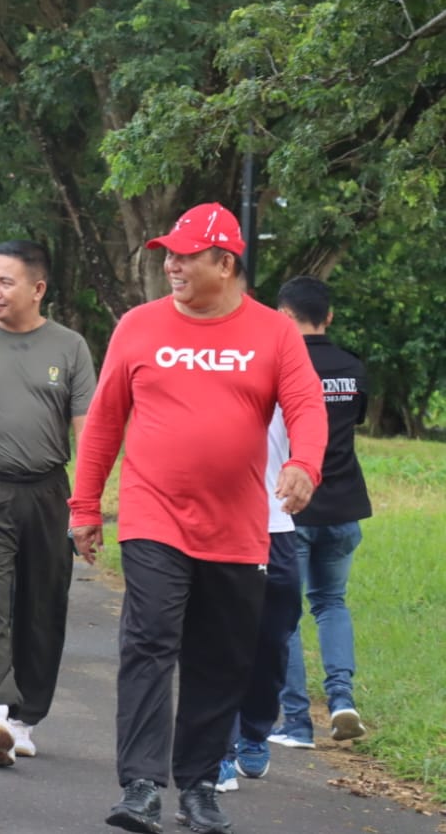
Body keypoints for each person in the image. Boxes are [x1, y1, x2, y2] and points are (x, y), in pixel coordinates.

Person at [70, 202, 328, 834]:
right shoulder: (138, 326)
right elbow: (104, 422)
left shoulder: (274, 333)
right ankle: (139, 785)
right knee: (149, 641)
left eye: (186, 255)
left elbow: (306, 407)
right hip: (153, 515)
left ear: (225, 263)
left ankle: (200, 785)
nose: (172, 265)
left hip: (240, 526)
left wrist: (304, 466)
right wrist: (85, 504)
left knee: (220, 657)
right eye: (169, 254)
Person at [0, 243, 96, 767]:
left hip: (46, 491)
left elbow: (89, 431)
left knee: (42, 606)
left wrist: (87, 504)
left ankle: (24, 719)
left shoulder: (70, 347)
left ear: (37, 289)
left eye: (5, 282)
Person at [271, 276, 373, 749]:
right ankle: (343, 702)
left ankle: (295, 724)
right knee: (332, 603)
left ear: (284, 317)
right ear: (328, 316)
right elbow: (355, 422)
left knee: (285, 616)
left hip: (292, 507)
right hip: (345, 507)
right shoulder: (353, 367)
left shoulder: (280, 367)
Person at [216, 404, 303, 790]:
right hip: (220, 524)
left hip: (276, 524)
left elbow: (314, 440)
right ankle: (217, 751)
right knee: (221, 641)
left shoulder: (290, 376)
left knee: (272, 640)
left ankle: (254, 731)